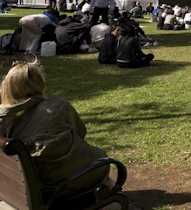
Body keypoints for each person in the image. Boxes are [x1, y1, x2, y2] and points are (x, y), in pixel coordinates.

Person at [0, 60, 111, 193]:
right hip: (58, 183)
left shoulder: (3, 118)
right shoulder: (56, 106)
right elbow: (80, 132)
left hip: (25, 186)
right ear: (39, 84)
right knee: (101, 161)